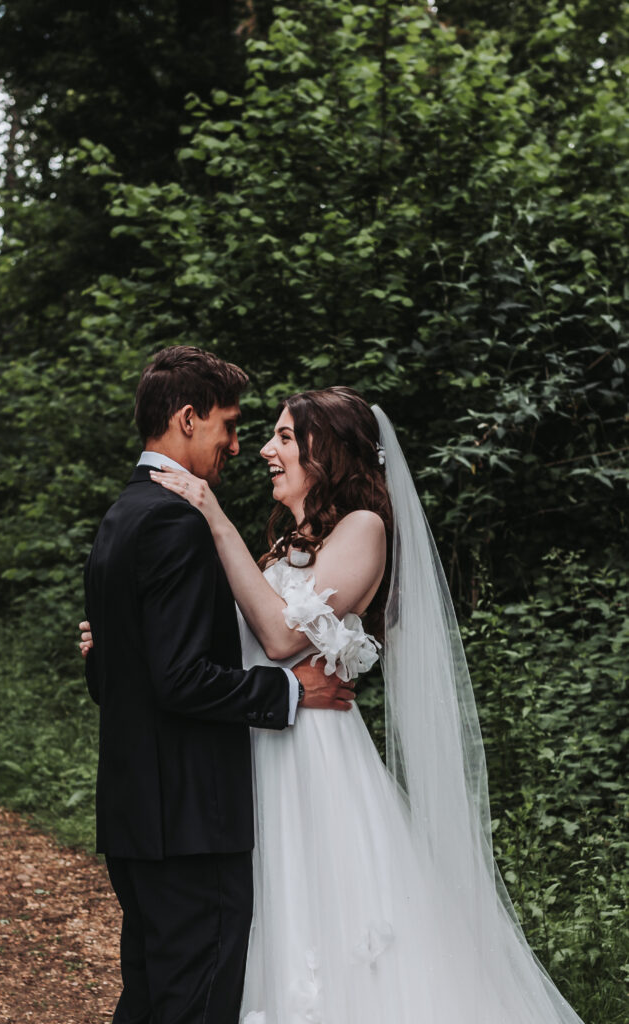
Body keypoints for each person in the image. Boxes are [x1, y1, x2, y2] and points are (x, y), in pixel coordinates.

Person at [139, 385, 587, 1024]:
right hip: (261, 745)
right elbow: (230, 643)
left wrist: (213, 515)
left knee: (330, 926)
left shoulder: (364, 529)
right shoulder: (284, 544)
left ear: (332, 452)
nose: (266, 449)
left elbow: (280, 636)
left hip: (313, 761)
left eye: (286, 437)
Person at [81, 348, 354, 1024]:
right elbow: (180, 680)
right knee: (195, 1003)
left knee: (150, 997)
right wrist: (291, 694)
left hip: (138, 813)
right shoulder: (176, 521)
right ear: (186, 418)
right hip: (189, 820)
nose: (238, 443)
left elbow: (115, 677)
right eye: (228, 426)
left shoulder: (123, 514)